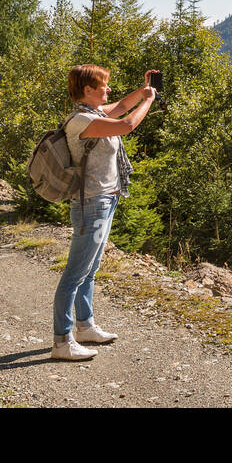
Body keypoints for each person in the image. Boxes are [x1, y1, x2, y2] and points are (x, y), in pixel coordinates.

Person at [51, 64, 157, 361]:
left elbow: (123, 106)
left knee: (90, 270)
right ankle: (61, 341)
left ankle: (85, 327)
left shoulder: (95, 114)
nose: (108, 89)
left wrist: (143, 89)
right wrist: (148, 102)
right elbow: (127, 124)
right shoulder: (82, 120)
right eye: (103, 86)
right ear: (87, 90)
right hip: (92, 203)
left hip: (106, 200)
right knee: (75, 273)